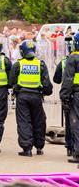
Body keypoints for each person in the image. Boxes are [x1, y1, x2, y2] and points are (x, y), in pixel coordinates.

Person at [9, 40, 53, 157]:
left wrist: (16, 87)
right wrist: (45, 92)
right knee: (39, 121)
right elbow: (47, 85)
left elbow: (11, 82)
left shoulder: (17, 65)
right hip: (37, 97)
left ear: (22, 52)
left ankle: (27, 149)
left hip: (22, 97)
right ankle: (39, 147)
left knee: (24, 122)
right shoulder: (41, 64)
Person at [60, 33, 79, 163]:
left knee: (76, 123)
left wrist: (64, 95)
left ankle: (77, 154)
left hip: (77, 94)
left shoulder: (73, 58)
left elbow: (68, 79)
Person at [54, 40, 74, 157]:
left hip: (68, 94)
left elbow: (56, 79)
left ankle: (70, 147)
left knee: (69, 122)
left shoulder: (63, 62)